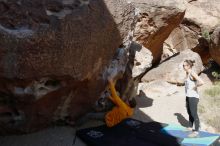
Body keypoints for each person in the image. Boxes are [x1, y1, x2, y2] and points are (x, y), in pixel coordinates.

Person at [183, 59, 205, 136]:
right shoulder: (187, 73)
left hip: (193, 96)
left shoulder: (192, 73)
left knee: (193, 113)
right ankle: (190, 126)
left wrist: (195, 86)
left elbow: (202, 82)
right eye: (183, 65)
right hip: (188, 95)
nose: (183, 66)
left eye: (184, 65)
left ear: (189, 66)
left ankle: (196, 130)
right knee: (189, 111)